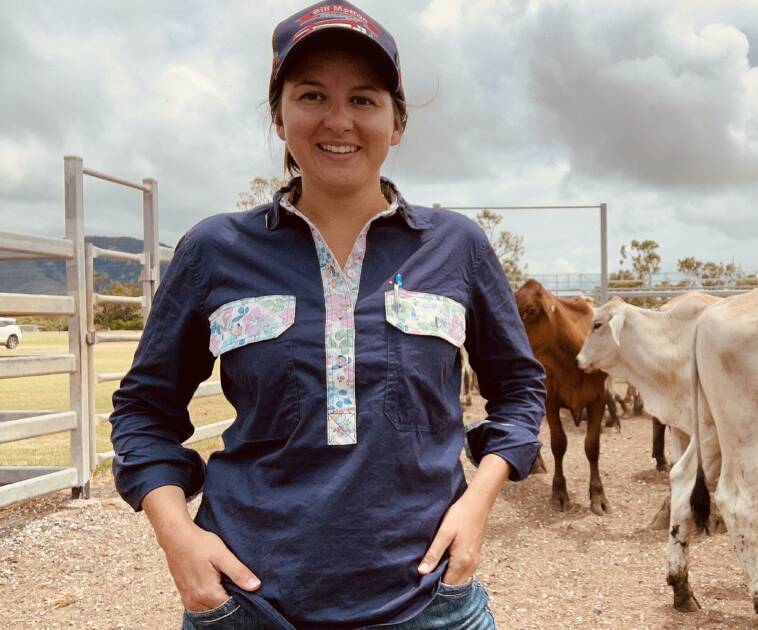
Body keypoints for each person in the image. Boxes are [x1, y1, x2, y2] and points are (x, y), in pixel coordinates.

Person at [108, 3, 546, 628]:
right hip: (250, 605)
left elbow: (520, 388)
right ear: (280, 115)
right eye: (312, 94)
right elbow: (144, 411)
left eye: (364, 99)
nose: (338, 120)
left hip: (430, 603)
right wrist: (178, 538)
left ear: (397, 124)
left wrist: (479, 500)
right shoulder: (214, 250)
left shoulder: (457, 247)